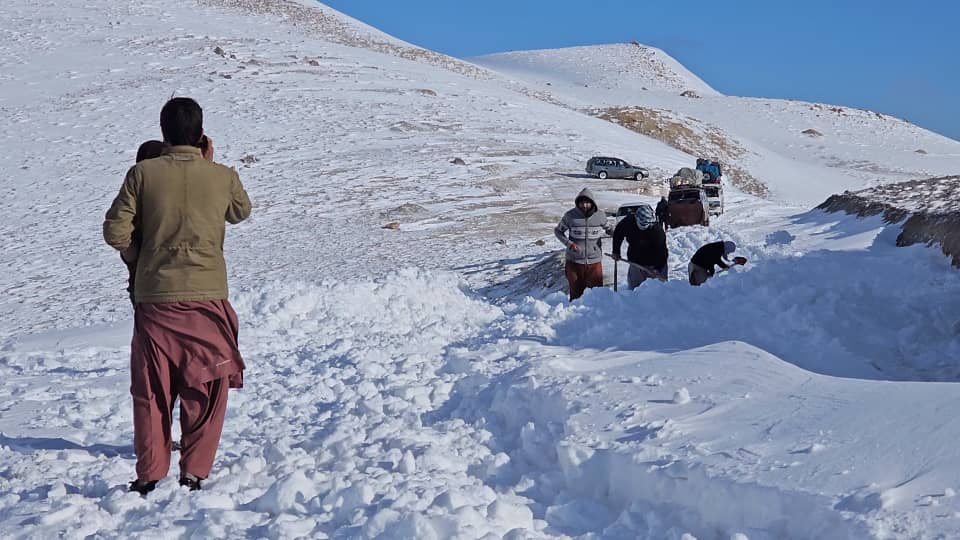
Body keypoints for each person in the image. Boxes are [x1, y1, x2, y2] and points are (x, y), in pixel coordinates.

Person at [103, 97, 251, 495]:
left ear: (163, 132)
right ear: (201, 133)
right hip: (208, 297)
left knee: (152, 387)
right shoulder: (222, 176)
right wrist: (208, 162)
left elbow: (115, 232)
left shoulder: (142, 173)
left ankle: (150, 473)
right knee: (207, 384)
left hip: (155, 298)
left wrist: (139, 257)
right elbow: (241, 212)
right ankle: (194, 471)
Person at [121, 141, 169, 304]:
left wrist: (135, 263)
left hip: (143, 286)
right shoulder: (168, 198)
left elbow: (118, 234)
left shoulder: (135, 196)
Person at [554, 188, 614, 300]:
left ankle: (597, 311)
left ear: (592, 203)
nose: (584, 205)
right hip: (574, 262)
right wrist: (569, 244)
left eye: (587, 203)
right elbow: (558, 231)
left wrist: (619, 233)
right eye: (582, 203)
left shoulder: (600, 216)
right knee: (575, 294)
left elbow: (610, 229)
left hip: (594, 262)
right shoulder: (570, 216)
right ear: (578, 203)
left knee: (596, 294)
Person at [611, 204, 668, 288]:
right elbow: (618, 234)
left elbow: (662, 252)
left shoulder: (657, 230)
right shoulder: (628, 222)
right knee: (636, 290)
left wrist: (658, 268)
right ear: (636, 218)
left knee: (658, 290)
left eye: (647, 224)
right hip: (636, 263)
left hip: (655, 264)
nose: (644, 226)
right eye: (642, 223)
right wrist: (616, 251)